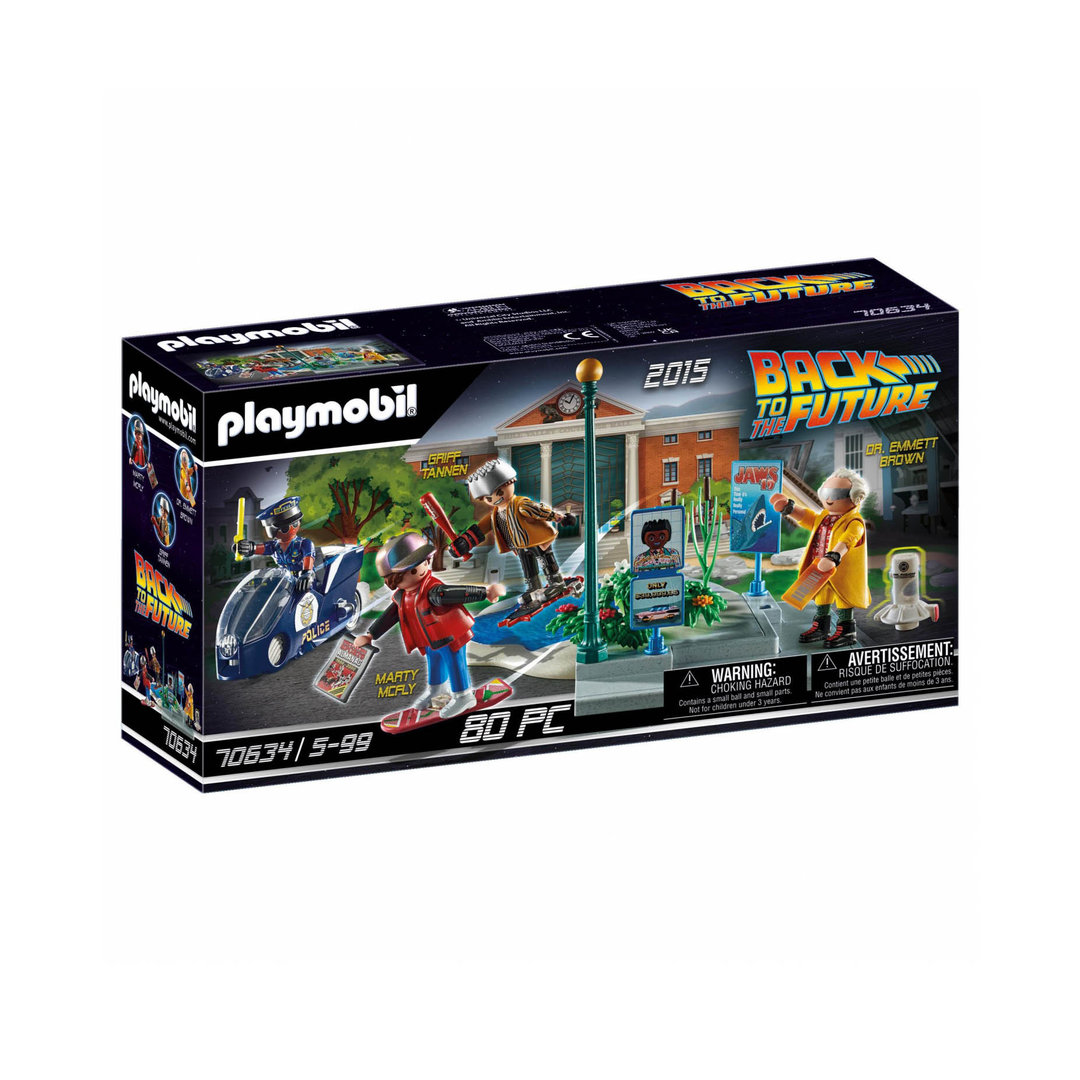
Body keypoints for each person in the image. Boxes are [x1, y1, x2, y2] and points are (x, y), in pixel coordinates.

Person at [354, 532, 505, 720]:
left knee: (454, 662)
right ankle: (437, 690)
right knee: (434, 662)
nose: (423, 567)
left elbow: (456, 593)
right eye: (411, 569)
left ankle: (464, 696)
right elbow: (390, 616)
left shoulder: (433, 591)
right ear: (393, 579)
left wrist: (485, 593)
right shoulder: (403, 596)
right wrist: (370, 635)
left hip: (451, 636)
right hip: (429, 639)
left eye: (424, 562)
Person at [451, 458, 576, 608]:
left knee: (545, 560)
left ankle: (556, 582)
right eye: (489, 498)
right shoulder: (495, 514)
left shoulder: (520, 504)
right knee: (527, 566)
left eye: (499, 492)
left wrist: (559, 517)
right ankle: (534, 586)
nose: (495, 499)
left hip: (536, 540)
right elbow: (480, 529)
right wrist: (464, 542)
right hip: (519, 545)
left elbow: (539, 511)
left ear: (510, 482)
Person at [769, 468, 871, 648]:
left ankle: (846, 631)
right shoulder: (824, 516)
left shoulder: (854, 522)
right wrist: (790, 509)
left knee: (844, 599)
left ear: (854, 497)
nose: (830, 498)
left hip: (842, 571)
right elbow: (809, 518)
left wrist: (833, 556)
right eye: (826, 492)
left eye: (837, 494)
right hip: (820, 568)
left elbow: (848, 540)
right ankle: (821, 627)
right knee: (821, 597)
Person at [232, 496, 316, 593]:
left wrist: (306, 574)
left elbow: (308, 561)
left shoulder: (305, 543)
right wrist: (245, 547)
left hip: (304, 586)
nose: (293, 527)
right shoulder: (274, 546)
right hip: (285, 584)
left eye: (295, 523)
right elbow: (255, 548)